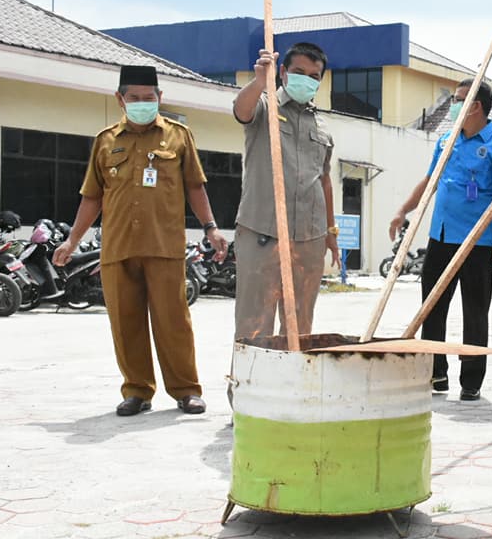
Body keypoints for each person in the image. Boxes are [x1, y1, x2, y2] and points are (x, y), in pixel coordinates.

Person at [53, 65, 228, 416]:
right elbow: (92, 196)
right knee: (126, 322)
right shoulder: (105, 141)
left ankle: (186, 390)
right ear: (120, 99)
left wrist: (211, 227)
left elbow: (195, 185)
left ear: (160, 98)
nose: (142, 104)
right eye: (134, 98)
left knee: (173, 321)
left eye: (149, 98)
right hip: (118, 247)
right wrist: (72, 241)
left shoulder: (178, 136)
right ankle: (137, 391)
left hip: (164, 246)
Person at [391, 79, 492, 401]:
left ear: (475, 106)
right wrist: (403, 210)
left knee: (475, 311)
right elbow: (430, 180)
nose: (453, 106)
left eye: (458, 100)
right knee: (432, 307)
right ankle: (436, 373)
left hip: (478, 241)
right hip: (442, 236)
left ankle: (471, 380)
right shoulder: (446, 141)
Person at [231, 43, 341, 346]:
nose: (307, 79)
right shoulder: (265, 107)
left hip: (309, 237)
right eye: (299, 72)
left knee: (300, 324)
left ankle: (291, 391)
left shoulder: (322, 126)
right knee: (255, 324)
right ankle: (248, 393)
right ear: (282, 72)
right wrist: (258, 81)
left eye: (314, 76)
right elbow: (241, 111)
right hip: (262, 232)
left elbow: (325, 180)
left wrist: (330, 231)